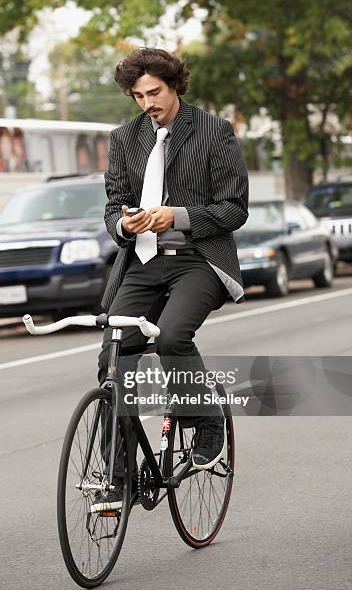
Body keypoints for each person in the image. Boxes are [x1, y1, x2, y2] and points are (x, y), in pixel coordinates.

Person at [94, 48, 249, 511]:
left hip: (198, 260)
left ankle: (208, 424)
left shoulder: (213, 131)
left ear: (175, 85)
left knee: (171, 339)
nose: (147, 103)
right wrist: (125, 223)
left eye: (154, 92)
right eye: (138, 95)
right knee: (114, 354)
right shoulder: (124, 139)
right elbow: (111, 205)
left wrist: (175, 216)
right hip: (141, 263)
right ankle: (118, 473)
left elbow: (234, 209)